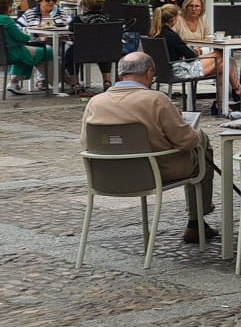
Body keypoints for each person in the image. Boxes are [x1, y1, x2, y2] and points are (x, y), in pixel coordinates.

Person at [84, 52, 214, 243]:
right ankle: (195, 220)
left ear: (121, 75)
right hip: (155, 171)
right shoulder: (156, 100)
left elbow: (86, 142)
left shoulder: (95, 102)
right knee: (200, 141)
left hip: (106, 174)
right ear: (149, 73)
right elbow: (186, 141)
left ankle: (196, 222)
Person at [173, 0, 241, 101]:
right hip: (186, 61)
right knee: (224, 58)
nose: (194, 9)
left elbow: (208, 38)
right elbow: (176, 42)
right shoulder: (178, 21)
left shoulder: (202, 20)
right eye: (191, 6)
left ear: (201, 8)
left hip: (201, 54)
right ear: (185, 7)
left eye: (197, 6)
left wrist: (200, 47)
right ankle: (237, 89)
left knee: (225, 63)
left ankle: (221, 104)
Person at [0, 0, 49, 93]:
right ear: (4, 7)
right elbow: (22, 37)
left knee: (28, 52)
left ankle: (14, 83)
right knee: (47, 51)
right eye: (10, 6)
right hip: (11, 52)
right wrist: (32, 36)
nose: (11, 8)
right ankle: (52, 80)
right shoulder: (6, 19)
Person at [62, 0, 122, 94]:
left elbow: (71, 28)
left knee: (70, 53)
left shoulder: (78, 19)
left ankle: (75, 82)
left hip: (82, 52)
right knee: (104, 47)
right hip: (105, 52)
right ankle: (107, 81)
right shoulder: (108, 19)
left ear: (85, 7)